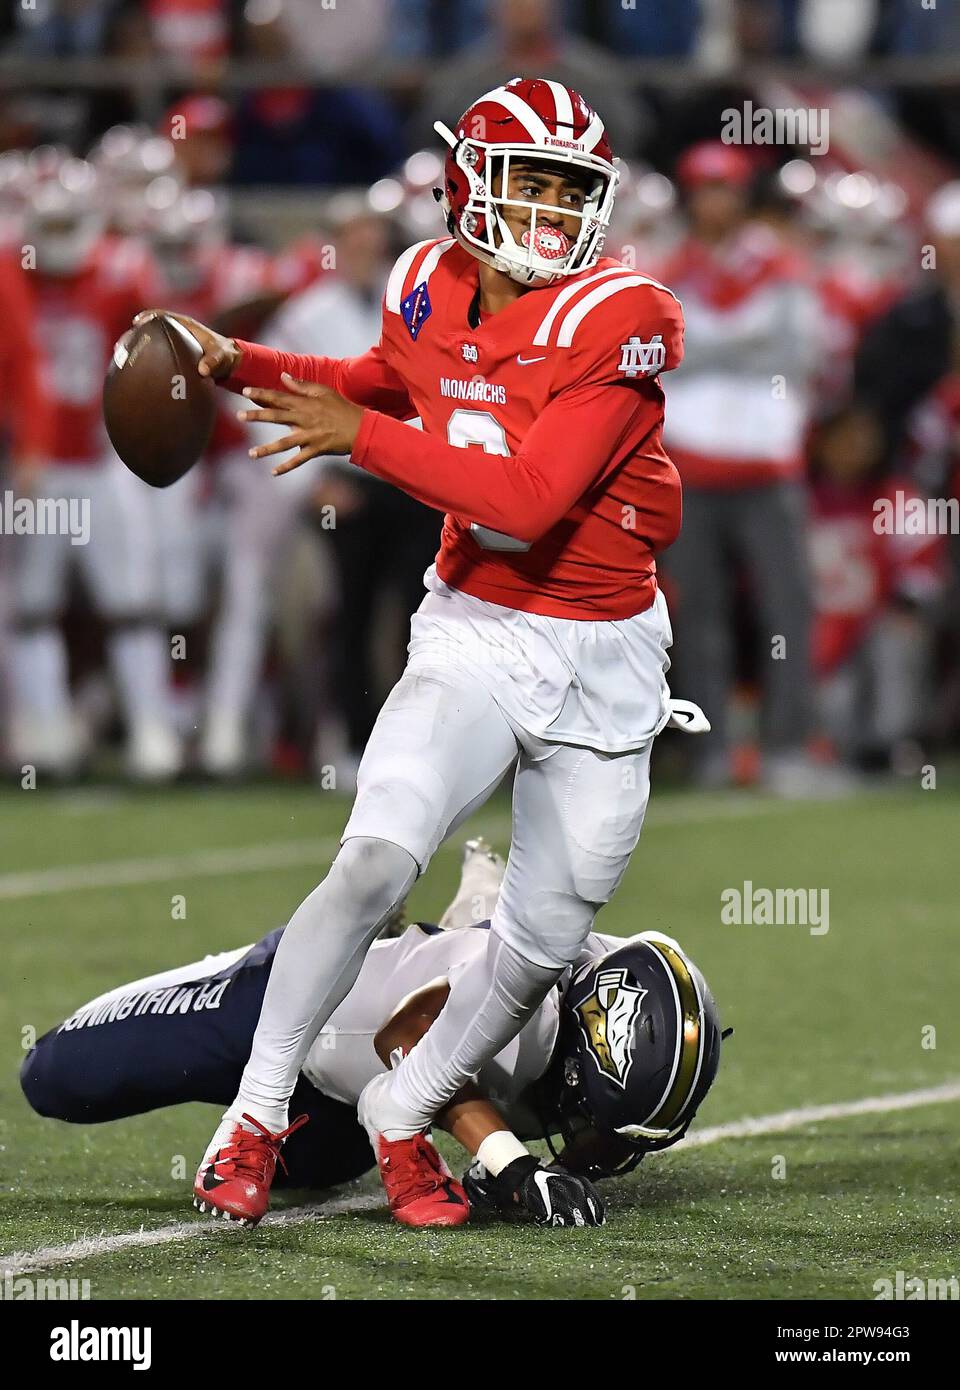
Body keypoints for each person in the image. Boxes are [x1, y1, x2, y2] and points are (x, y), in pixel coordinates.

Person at [142, 77, 687, 1229]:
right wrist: (233, 357)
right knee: (376, 860)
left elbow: (532, 497)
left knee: (540, 942)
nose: (549, 211)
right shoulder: (424, 286)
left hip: (606, 651)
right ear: (465, 187)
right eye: (529, 183)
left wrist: (369, 442)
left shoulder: (619, 314)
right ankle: (252, 1111)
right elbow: (378, 386)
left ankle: (407, 1108)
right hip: (478, 626)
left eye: (569, 189)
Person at [21, 840, 724, 1228]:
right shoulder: (537, 1008)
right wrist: (509, 1161)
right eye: (604, 1125)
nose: (602, 1149)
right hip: (293, 1012)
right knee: (56, 1078)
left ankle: (437, 918)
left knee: (318, 1174)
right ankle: (359, 933)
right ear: (577, 1060)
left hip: (342, 1120)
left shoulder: (612, 979)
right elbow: (410, 1039)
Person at [658, 141, 821, 795]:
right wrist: (747, 342)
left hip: (766, 460)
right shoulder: (670, 271)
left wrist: (709, 346)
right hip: (691, 464)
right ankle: (714, 750)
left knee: (791, 606)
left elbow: (801, 354)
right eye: (704, 188)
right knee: (697, 611)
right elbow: (663, 355)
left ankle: (786, 749)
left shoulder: (781, 267)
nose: (714, 201)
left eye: (724, 188)